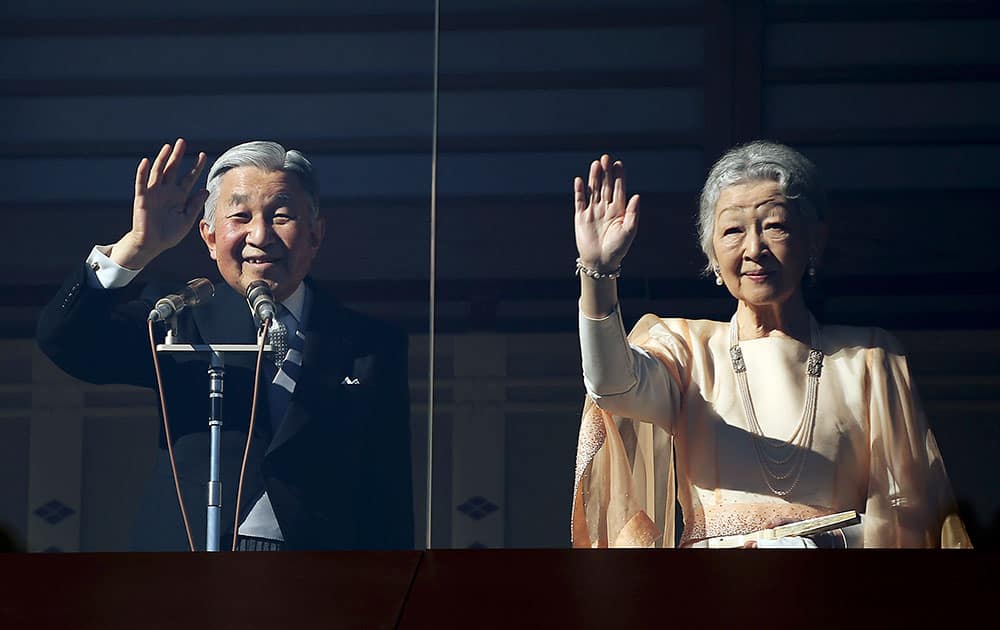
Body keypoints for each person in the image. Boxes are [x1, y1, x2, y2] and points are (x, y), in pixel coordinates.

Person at [571, 142, 971, 548]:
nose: (754, 249)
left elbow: (910, 517)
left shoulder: (868, 358)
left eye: (775, 226)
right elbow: (612, 386)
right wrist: (599, 274)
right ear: (711, 252)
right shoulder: (687, 349)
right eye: (732, 231)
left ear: (814, 239)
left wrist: (817, 542)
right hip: (710, 594)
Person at [37, 139, 413, 551]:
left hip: (322, 574)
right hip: (191, 563)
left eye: (281, 216)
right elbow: (66, 340)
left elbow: (387, 491)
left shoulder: (369, 345)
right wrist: (137, 247)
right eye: (240, 217)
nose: (260, 235)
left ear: (315, 234)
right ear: (210, 237)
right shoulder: (181, 317)